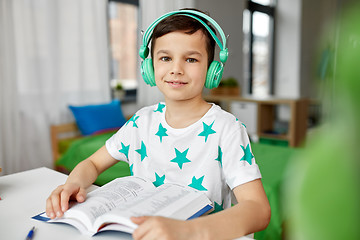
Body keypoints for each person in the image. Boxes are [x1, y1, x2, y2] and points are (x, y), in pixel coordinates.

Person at [46, 9, 270, 240]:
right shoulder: (141, 122)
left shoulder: (228, 128)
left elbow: (259, 210)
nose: (176, 69)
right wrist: (72, 184)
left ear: (212, 69)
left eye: (191, 59)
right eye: (165, 58)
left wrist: (189, 231)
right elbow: (93, 163)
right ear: (149, 68)